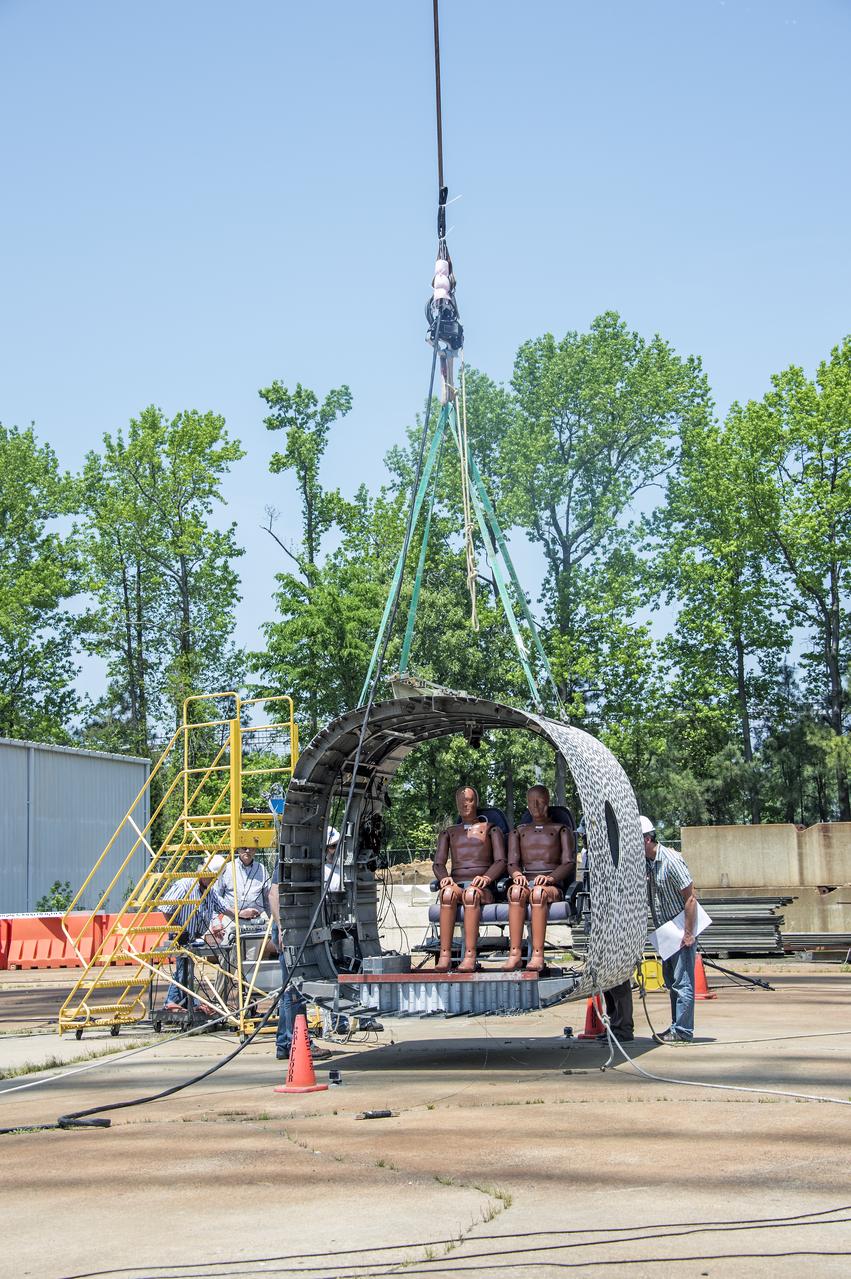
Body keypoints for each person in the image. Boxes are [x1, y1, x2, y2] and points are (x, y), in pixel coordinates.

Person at [432, 785, 506, 972]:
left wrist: (487, 878)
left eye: (470, 800)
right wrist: (443, 878)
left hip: (482, 888)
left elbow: (501, 861)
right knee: (447, 894)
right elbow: (438, 864)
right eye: (461, 801)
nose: (465, 804)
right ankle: (445, 955)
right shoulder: (449, 832)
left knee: (471, 894)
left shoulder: (491, 829)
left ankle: (470, 956)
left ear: (477, 803)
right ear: (456, 804)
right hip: (457, 884)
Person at [269, 848, 333, 1063]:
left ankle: (285, 1043)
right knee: (295, 990)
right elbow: (273, 894)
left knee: (290, 989)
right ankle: (298, 1042)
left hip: (292, 928)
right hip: (290, 930)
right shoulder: (289, 861)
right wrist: (282, 929)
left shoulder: (295, 859)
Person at [503, 785, 576, 973]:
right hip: (526, 882)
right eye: (532, 803)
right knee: (516, 892)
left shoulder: (561, 830)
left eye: (540, 802)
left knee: (538, 893)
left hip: (551, 886)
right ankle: (515, 954)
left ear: (548, 803)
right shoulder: (519, 832)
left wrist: (551, 878)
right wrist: (517, 875)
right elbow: (512, 863)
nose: (536, 807)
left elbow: (568, 862)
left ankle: (537, 954)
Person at [641, 815, 698, 1044]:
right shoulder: (648, 863)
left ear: (646, 839)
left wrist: (688, 933)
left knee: (682, 982)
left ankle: (683, 1031)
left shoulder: (671, 861)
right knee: (671, 981)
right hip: (667, 932)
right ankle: (677, 1027)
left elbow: (691, 898)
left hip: (680, 931)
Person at [160, 853, 226, 1014]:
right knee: (183, 969)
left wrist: (241, 913)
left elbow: (223, 908)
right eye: (211, 879)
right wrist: (178, 930)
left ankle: (184, 1002)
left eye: (215, 880)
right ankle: (173, 1002)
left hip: (195, 938)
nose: (213, 883)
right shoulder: (185, 885)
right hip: (181, 935)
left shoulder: (210, 891)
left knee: (186, 970)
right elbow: (166, 909)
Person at [208, 844, 272, 943]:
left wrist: (273, 920)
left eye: (251, 848)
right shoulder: (227, 868)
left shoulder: (262, 869)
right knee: (229, 954)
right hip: (232, 920)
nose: (247, 850)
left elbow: (268, 899)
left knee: (253, 957)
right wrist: (215, 921)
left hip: (256, 922)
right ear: (238, 849)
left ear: (255, 850)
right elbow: (215, 897)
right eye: (244, 848)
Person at [323, 827, 342, 891]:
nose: (337, 849)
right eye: (333, 846)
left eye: (338, 845)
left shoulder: (345, 869)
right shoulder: (322, 871)